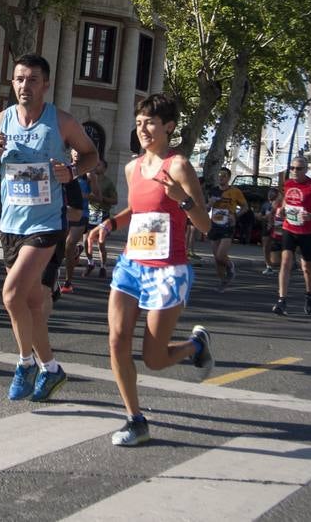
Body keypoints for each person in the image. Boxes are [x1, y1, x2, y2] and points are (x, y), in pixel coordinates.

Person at [85, 93, 215, 447]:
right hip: (131, 264)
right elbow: (137, 210)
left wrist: (182, 199)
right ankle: (134, 419)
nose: (142, 128)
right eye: (139, 122)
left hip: (168, 270)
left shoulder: (179, 166)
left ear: (169, 127)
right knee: (116, 340)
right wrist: (109, 224)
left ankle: (195, 345)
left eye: (150, 123)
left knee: (154, 359)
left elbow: (204, 225)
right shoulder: (132, 167)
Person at [0, 54, 98, 403]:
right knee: (31, 304)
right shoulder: (1, 122)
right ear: (12, 83)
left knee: (11, 294)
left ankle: (24, 363)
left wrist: (72, 173)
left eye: (32, 80)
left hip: (46, 225)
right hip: (10, 225)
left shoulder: (61, 122)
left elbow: (91, 156)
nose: (24, 86)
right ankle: (51, 368)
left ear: (45, 84)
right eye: (18, 79)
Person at [273, 157, 311, 316]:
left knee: (306, 267)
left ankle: (309, 294)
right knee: (285, 262)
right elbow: (286, 199)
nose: (295, 171)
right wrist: (282, 209)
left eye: (299, 168)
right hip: (289, 228)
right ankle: (281, 300)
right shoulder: (289, 183)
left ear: (306, 169)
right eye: (292, 168)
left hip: (307, 232)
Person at [206, 167, 247, 289]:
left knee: (221, 255)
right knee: (217, 259)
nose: (221, 178)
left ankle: (230, 266)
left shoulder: (235, 191)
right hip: (214, 225)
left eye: (223, 176)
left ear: (229, 178)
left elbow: (245, 207)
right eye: (219, 175)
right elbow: (206, 209)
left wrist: (235, 216)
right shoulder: (213, 191)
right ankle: (222, 281)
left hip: (227, 226)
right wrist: (210, 204)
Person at [60, 149, 91, 294]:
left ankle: (68, 281)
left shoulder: (89, 174)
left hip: (82, 213)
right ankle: (75, 253)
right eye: (74, 151)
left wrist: (83, 195)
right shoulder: (65, 169)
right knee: (60, 247)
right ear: (70, 153)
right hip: (66, 212)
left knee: (69, 244)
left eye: (80, 151)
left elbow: (97, 195)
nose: (77, 153)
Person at [82, 159, 118, 278]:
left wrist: (102, 198)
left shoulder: (108, 182)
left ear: (104, 168)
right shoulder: (88, 180)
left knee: (101, 243)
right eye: (95, 164)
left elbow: (115, 200)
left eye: (98, 165)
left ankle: (103, 266)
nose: (96, 167)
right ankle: (90, 263)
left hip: (102, 214)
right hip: (89, 213)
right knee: (86, 241)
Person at [259, 187, 281, 275]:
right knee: (266, 247)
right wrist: (259, 217)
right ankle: (268, 266)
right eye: (269, 193)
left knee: (281, 247)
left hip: (278, 228)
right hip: (266, 227)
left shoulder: (280, 205)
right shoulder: (265, 204)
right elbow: (261, 214)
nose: (270, 195)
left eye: (273, 193)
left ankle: (287, 264)